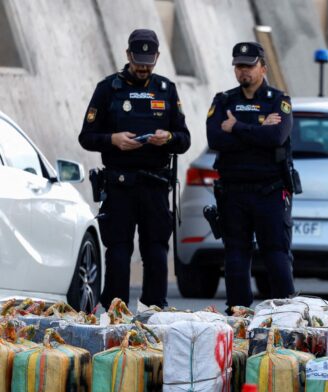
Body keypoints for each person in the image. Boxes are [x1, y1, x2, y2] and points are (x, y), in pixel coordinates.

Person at [79, 29, 190, 309]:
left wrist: (169, 138)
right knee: (118, 252)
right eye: (139, 60)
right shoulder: (108, 89)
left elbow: (184, 139)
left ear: (157, 58)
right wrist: (113, 140)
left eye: (149, 61)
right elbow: (86, 136)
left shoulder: (166, 90)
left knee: (155, 252)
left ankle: (154, 310)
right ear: (128, 55)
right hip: (119, 185)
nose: (143, 67)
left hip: (155, 185)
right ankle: (116, 310)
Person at [206, 42, 295, 310]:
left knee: (276, 254)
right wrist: (257, 129)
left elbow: (276, 136)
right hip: (234, 191)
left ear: (263, 68)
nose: (243, 71)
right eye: (238, 66)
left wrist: (237, 127)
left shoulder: (278, 101)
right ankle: (238, 315)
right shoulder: (224, 100)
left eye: (249, 65)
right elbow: (215, 138)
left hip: (270, 190)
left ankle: (287, 315)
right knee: (235, 256)